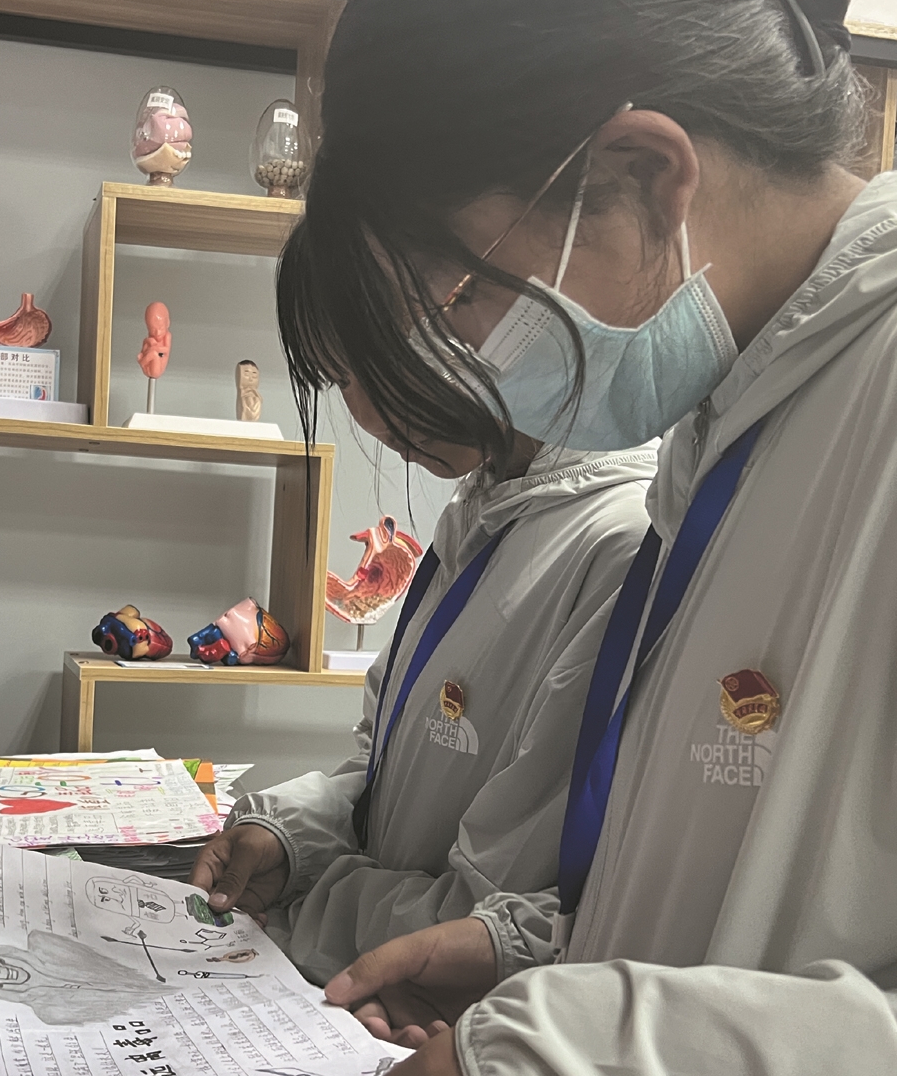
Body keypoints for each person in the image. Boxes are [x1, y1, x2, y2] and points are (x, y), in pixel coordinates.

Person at [273, 0, 897, 1076]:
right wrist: (540, 958)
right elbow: (824, 907)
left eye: (461, 295)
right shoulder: (733, 422)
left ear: (644, 175)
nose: (464, 359)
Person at [191, 367, 655, 983]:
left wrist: (305, 904)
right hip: (371, 982)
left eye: (374, 361)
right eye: (342, 379)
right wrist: (290, 837)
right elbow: (388, 770)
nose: (367, 417)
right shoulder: (482, 515)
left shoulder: (620, 543)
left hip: (431, 1002)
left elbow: (494, 918)